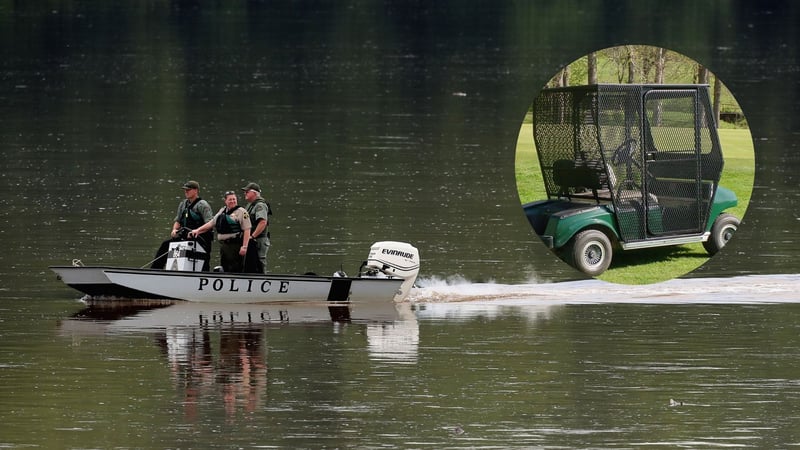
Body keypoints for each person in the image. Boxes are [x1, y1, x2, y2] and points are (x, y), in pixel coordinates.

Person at [189, 191, 261, 273]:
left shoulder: (242, 212)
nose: (232, 201)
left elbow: (247, 229)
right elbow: (212, 223)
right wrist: (198, 230)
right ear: (225, 201)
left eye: (234, 199)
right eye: (230, 199)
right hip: (224, 245)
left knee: (235, 268)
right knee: (225, 267)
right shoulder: (222, 211)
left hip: (236, 245)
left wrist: (244, 247)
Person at [151, 181, 214, 270]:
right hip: (185, 237)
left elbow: (210, 223)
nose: (186, 192)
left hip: (200, 239)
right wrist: (174, 230)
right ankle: (155, 270)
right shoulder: (183, 204)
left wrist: (197, 231)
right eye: (185, 190)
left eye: (188, 190)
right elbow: (178, 221)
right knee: (166, 245)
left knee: (203, 264)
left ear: (196, 191)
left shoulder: (202, 205)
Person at [241, 182, 272, 273]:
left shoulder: (260, 205)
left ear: (254, 193)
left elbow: (262, 222)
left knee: (260, 262)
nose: (245, 193)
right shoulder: (250, 205)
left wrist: (252, 236)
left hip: (259, 240)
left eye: (247, 192)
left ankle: (263, 281)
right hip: (251, 240)